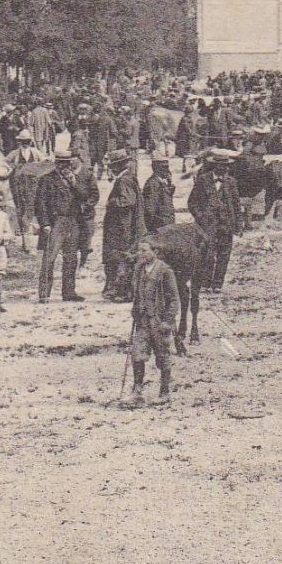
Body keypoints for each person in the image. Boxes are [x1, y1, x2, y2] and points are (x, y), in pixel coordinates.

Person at [125, 236, 180, 408]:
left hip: (159, 321)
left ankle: (164, 393)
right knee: (137, 354)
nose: (140, 254)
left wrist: (168, 321)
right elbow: (136, 295)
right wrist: (135, 311)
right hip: (142, 321)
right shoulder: (139, 270)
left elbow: (174, 299)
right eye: (139, 250)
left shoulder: (165, 271)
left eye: (144, 251)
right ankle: (137, 390)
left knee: (163, 356)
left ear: (155, 252)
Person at [34, 151, 84, 302]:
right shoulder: (47, 179)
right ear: (56, 163)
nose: (65, 166)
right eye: (62, 163)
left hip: (72, 221)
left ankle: (68, 292)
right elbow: (40, 203)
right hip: (55, 223)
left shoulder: (74, 179)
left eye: (68, 163)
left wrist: (74, 183)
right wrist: (45, 223)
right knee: (49, 258)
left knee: (71, 258)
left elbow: (84, 196)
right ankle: (44, 293)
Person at [189, 152, 238, 291]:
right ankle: (205, 283)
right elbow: (192, 203)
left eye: (227, 167)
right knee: (207, 254)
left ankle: (217, 284)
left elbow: (235, 204)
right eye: (222, 166)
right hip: (208, 225)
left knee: (224, 254)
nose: (225, 169)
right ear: (215, 166)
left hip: (226, 224)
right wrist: (201, 217)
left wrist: (238, 224)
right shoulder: (203, 180)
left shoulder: (231, 182)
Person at [101, 150, 145, 300]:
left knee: (121, 258)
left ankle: (123, 292)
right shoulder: (128, 177)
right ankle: (122, 290)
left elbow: (127, 201)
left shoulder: (123, 180)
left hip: (123, 227)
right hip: (127, 225)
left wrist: (111, 203)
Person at [142, 155, 176, 233]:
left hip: (168, 224)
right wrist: (150, 229)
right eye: (163, 167)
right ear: (155, 168)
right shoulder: (152, 183)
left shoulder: (164, 181)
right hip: (159, 226)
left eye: (167, 167)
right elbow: (149, 209)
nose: (167, 170)